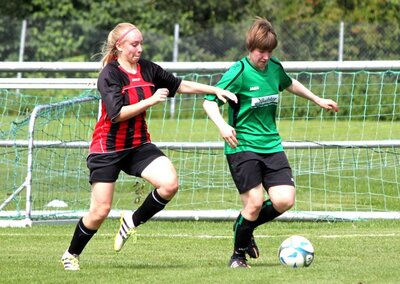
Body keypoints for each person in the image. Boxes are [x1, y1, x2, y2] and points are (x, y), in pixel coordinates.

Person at [60, 22, 237, 271]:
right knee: (100, 211)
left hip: (138, 145)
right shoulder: (109, 74)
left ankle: (131, 220)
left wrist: (214, 89)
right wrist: (151, 100)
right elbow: (116, 114)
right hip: (107, 149)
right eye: (134, 44)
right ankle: (71, 254)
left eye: (141, 43)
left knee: (170, 184)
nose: (140, 48)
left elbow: (179, 85)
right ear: (119, 46)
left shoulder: (148, 69)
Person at [203, 17, 338, 268]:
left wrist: (317, 99)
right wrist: (223, 125)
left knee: (284, 200)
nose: (265, 56)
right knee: (253, 203)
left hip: (271, 146)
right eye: (260, 51)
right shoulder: (239, 72)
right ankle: (237, 257)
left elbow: (289, 83)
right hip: (242, 146)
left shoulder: (274, 67)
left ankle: (245, 223)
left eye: (269, 51)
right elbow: (209, 102)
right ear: (250, 49)